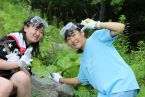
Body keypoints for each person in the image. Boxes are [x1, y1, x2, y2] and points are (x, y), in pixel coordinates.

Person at [50, 18, 140, 97]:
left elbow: (120, 27)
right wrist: (60, 79)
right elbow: (79, 79)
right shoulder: (83, 60)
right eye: (68, 39)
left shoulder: (97, 38)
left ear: (82, 33)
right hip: (106, 93)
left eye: (73, 35)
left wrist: (96, 24)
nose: (72, 40)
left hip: (121, 86)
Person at [0, 16, 48, 97]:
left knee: (23, 78)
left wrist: (21, 65)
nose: (38, 33)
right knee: (6, 85)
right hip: (4, 82)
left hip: (8, 79)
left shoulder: (28, 50)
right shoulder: (10, 40)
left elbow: (27, 75)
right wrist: (18, 63)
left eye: (41, 32)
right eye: (36, 29)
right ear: (25, 28)